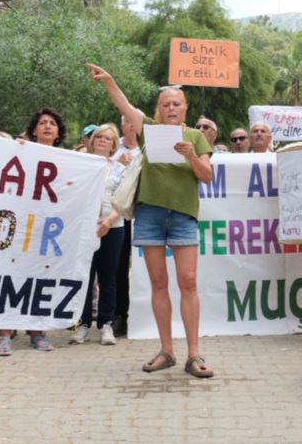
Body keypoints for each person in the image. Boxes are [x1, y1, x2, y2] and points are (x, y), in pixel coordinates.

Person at [86, 62, 215, 378]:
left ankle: (194, 354)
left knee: (188, 281)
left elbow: (207, 176)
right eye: (166, 104)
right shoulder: (148, 131)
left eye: (176, 104)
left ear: (185, 109)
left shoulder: (197, 138)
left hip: (183, 216)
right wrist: (110, 81)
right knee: (159, 283)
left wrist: (190, 155)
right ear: (159, 110)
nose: (171, 108)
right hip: (150, 215)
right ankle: (167, 351)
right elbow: (125, 106)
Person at [0, 107, 66, 356]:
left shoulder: (71, 160)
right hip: (20, 224)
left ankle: (37, 332)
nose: (47, 126)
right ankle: (4, 334)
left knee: (41, 279)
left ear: (58, 132)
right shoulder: (22, 151)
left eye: (52, 123)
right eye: (42, 122)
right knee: (10, 277)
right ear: (34, 129)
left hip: (48, 230)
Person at [70, 123, 126, 346]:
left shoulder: (120, 169)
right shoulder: (80, 165)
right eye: (99, 137)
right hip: (85, 227)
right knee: (85, 275)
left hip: (113, 226)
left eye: (108, 138)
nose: (103, 140)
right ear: (91, 141)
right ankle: (82, 324)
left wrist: (109, 219)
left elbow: (123, 198)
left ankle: (106, 324)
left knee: (108, 277)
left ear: (114, 144)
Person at [111, 114, 142, 337]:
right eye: (127, 121)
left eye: (134, 121)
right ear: (122, 125)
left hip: (144, 214)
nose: (131, 125)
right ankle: (119, 315)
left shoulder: (148, 149)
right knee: (119, 267)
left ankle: (143, 314)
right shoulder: (113, 149)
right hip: (118, 216)